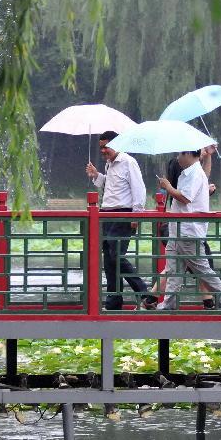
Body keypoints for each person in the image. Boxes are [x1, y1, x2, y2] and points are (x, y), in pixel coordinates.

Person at [156, 149, 221, 310]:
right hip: (177, 230)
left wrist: (168, 187)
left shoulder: (194, 173)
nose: (178, 158)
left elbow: (185, 198)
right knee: (174, 270)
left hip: (187, 230)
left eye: (180, 154)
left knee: (202, 269)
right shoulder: (190, 172)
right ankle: (168, 304)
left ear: (189, 154)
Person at [85, 130, 150, 310]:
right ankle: (114, 302)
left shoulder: (128, 162)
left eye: (106, 146)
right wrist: (96, 175)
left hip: (123, 214)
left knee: (116, 255)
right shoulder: (109, 165)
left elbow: (139, 189)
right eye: (101, 148)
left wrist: (136, 214)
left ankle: (144, 292)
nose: (103, 151)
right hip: (106, 214)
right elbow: (111, 186)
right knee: (109, 260)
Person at [151, 144, 217, 304]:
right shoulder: (181, 168)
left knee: (175, 268)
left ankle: (151, 300)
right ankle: (219, 303)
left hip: (182, 227)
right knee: (201, 266)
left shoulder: (189, 171)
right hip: (185, 228)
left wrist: (208, 156)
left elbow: (200, 179)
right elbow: (187, 195)